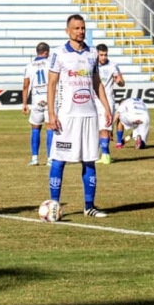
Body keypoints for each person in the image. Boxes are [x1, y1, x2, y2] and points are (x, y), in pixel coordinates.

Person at [47, 14, 113, 218]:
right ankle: (54, 205)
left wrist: (107, 108)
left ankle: (89, 206)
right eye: (76, 28)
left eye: (82, 28)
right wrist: (51, 113)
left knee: (90, 160)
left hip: (89, 115)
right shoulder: (58, 54)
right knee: (59, 160)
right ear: (68, 31)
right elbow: (51, 84)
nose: (80, 31)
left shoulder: (92, 53)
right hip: (66, 117)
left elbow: (97, 83)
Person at [22, 42, 54, 166]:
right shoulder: (50, 63)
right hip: (50, 99)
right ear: (46, 52)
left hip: (36, 100)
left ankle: (35, 158)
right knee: (50, 128)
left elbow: (25, 86)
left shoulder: (29, 66)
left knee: (35, 128)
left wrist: (24, 103)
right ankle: (50, 158)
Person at [95, 43, 124, 164]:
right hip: (94, 100)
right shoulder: (92, 65)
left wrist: (120, 81)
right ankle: (97, 154)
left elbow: (121, 83)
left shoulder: (113, 66)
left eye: (105, 55)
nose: (103, 57)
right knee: (97, 129)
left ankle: (106, 155)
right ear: (97, 54)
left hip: (108, 100)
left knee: (105, 128)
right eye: (101, 55)